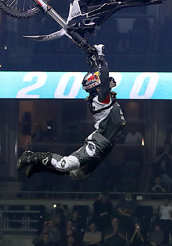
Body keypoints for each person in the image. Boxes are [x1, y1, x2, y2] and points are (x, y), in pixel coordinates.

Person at [18, 45, 125, 180]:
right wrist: (100, 55)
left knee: (77, 175)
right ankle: (31, 157)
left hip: (108, 143)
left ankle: (39, 167)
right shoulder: (101, 99)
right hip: (100, 142)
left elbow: (100, 77)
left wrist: (93, 61)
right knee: (66, 165)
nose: (110, 83)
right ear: (97, 87)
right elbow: (104, 75)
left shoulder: (100, 96)